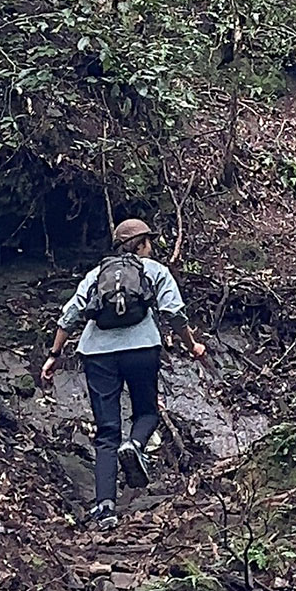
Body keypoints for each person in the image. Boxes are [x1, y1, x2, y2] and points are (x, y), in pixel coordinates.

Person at [41, 216, 207, 522]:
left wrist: (54, 354)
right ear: (143, 244)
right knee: (146, 413)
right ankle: (135, 444)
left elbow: (71, 313)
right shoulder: (155, 271)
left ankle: (104, 506)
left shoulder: (97, 273)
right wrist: (191, 344)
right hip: (141, 349)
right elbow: (174, 312)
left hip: (97, 354)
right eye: (150, 242)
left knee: (106, 431)